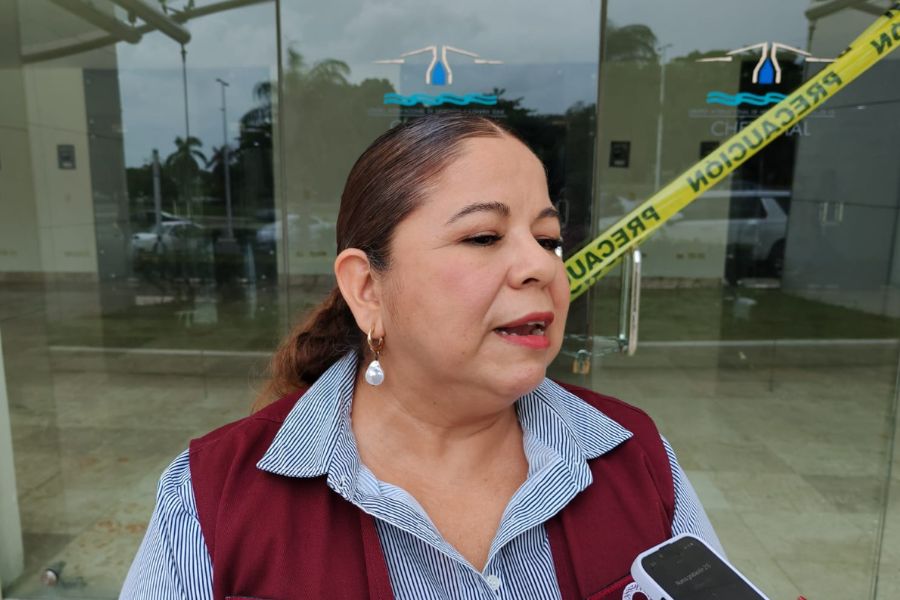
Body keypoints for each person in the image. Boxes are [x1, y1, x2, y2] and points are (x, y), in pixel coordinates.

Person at [120, 114, 721, 600]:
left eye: (548, 239)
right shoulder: (212, 497)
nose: (540, 265)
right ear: (367, 289)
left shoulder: (637, 459)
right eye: (483, 236)